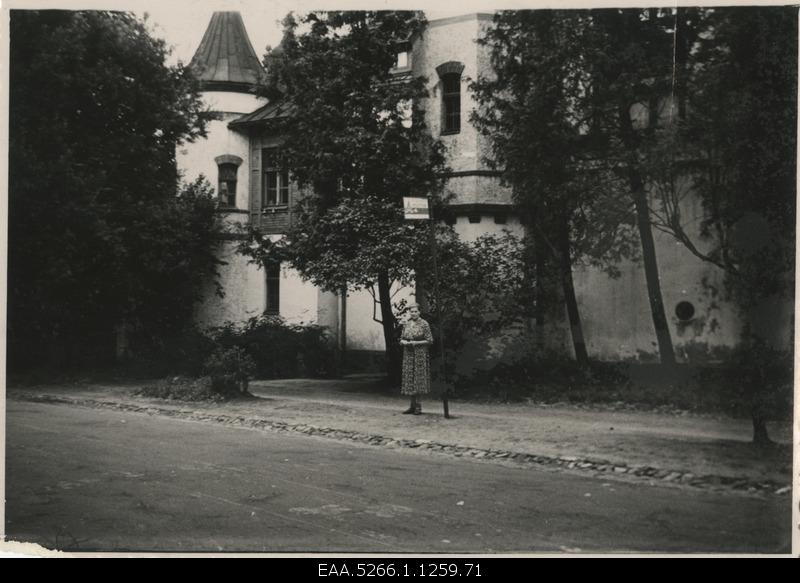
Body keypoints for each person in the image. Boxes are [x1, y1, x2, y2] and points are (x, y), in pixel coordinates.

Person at [399, 304, 433, 415]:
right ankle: (411, 406)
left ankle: (418, 406)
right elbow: (402, 338)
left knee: (418, 379)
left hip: (419, 354)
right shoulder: (407, 323)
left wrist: (416, 343)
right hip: (408, 354)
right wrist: (403, 342)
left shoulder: (424, 324)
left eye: (415, 311)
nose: (413, 313)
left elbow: (429, 340)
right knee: (410, 379)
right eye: (411, 311)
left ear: (419, 312)